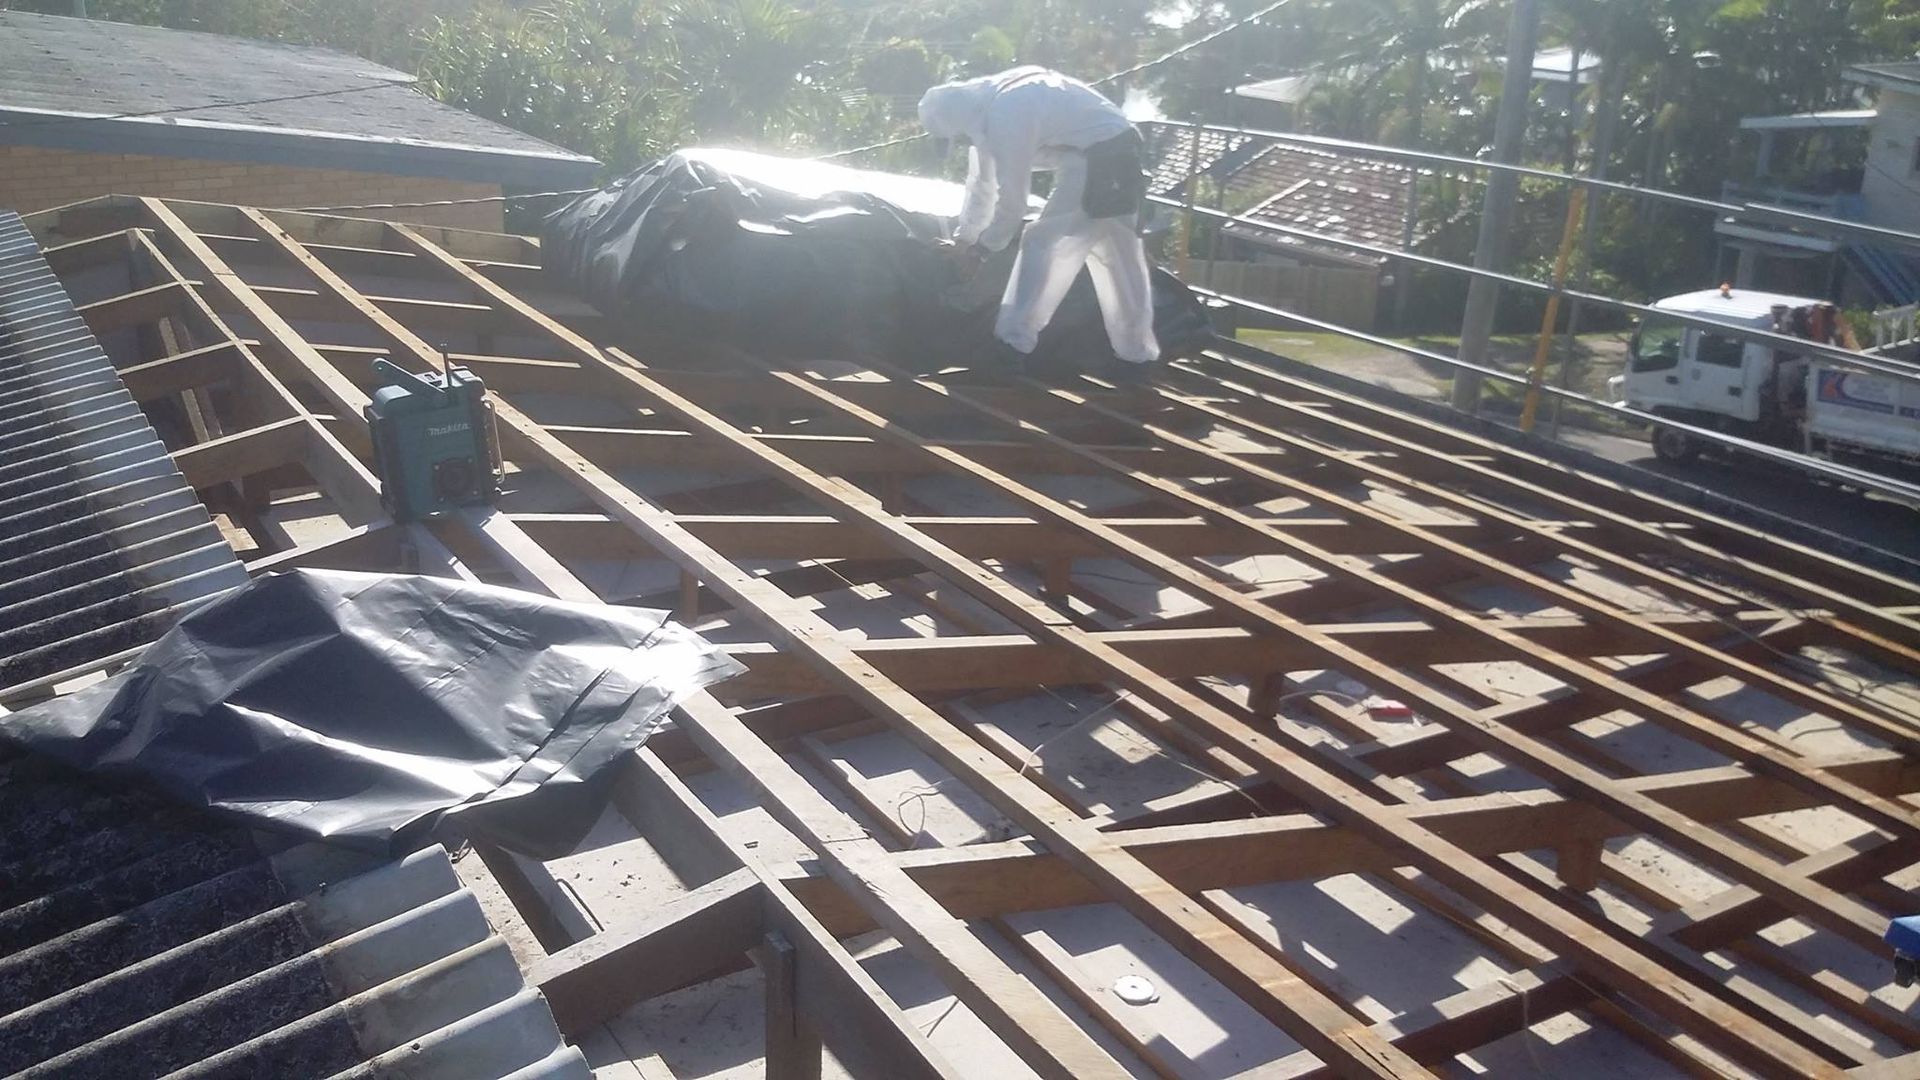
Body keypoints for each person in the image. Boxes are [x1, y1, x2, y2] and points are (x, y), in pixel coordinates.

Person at [918, 66, 1159, 376]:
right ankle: (1136, 358)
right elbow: (981, 183)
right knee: (1119, 257)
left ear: (959, 124)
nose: (964, 146)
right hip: (1122, 156)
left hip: (1096, 162)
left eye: (959, 140)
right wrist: (965, 238)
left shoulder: (1006, 115)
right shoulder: (992, 106)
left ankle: (1011, 345)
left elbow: (1013, 201)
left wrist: (981, 251)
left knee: (1045, 245)